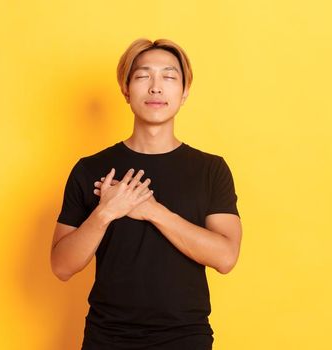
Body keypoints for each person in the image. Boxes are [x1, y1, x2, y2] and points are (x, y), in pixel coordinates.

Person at [50, 38, 243, 349]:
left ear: (185, 92)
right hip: (106, 338)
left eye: (168, 77)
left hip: (185, 338)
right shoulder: (89, 169)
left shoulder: (210, 170)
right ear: (126, 90)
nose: (155, 87)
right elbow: (61, 266)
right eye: (143, 76)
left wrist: (152, 210)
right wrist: (106, 212)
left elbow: (225, 257)